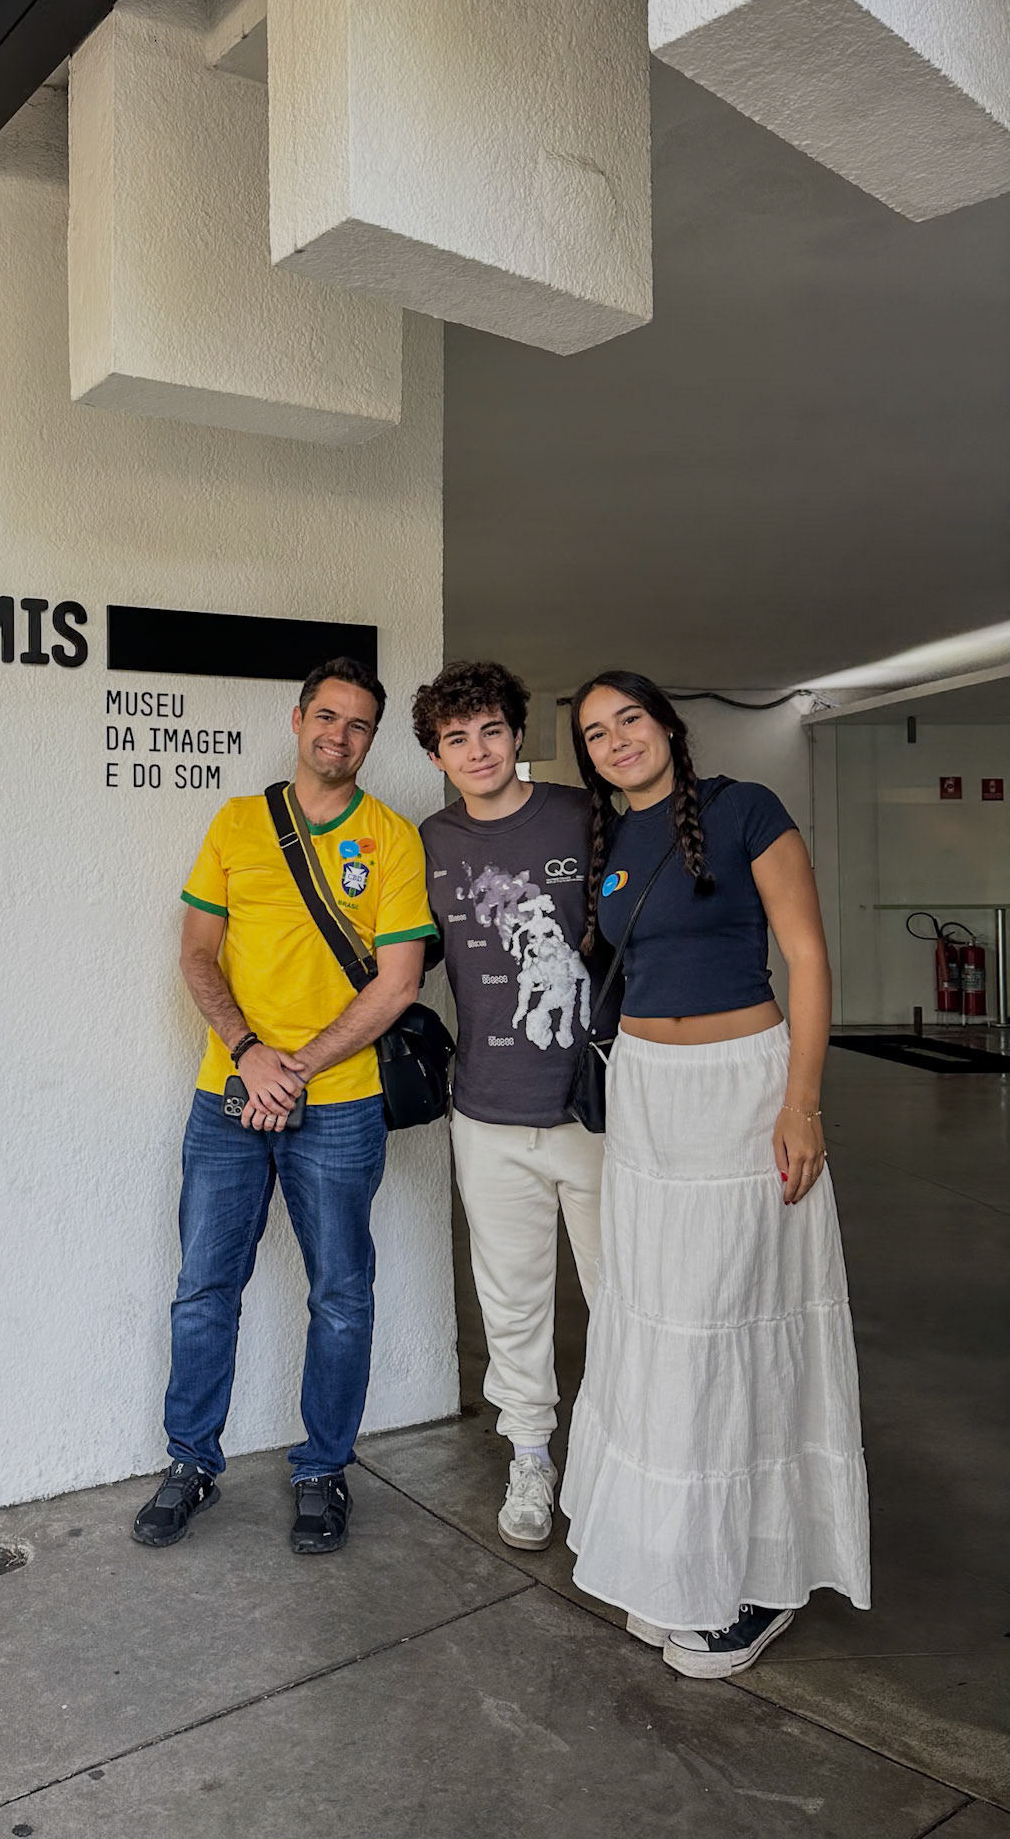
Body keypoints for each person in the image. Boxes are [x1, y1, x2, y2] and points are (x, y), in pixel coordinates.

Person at [559, 671, 870, 1678]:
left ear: (668, 725)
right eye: (595, 733)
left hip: (744, 1088)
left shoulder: (746, 810)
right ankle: (677, 1555)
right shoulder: (610, 844)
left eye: (630, 719)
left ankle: (758, 1578)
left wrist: (801, 1100)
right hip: (648, 1098)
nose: (616, 741)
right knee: (659, 1323)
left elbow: (808, 957)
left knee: (734, 1322)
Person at [133, 657, 438, 1556]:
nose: (339, 736)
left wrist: (295, 1066)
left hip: (340, 1103)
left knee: (341, 1294)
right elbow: (196, 953)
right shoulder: (236, 823)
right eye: (327, 716)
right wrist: (250, 1053)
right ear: (298, 719)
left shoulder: (391, 839)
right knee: (204, 1288)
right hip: (228, 1095)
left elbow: (400, 982)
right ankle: (190, 1462)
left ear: (370, 740)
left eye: (358, 724)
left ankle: (322, 1471)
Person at [413, 661, 611, 1552]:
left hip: (594, 1109)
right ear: (436, 755)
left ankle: (616, 1462)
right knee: (513, 1300)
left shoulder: (584, 814)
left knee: (622, 1296)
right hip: (486, 1111)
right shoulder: (432, 840)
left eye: (491, 730)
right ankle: (531, 1457)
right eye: (457, 738)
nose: (478, 750)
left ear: (518, 735)